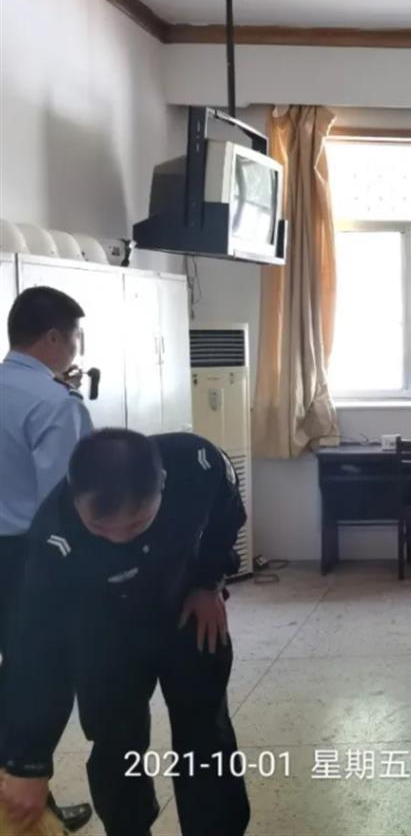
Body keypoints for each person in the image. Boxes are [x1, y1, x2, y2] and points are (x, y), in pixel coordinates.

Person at [0, 429, 251, 836]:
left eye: (136, 523)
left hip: (185, 610)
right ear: (74, 496)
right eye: (100, 529)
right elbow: (38, 653)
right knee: (116, 741)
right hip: (104, 630)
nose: (119, 539)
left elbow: (226, 512)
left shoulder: (197, 464)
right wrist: (28, 763)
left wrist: (208, 581)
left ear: (163, 484)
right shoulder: (52, 539)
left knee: (206, 732)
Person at [0, 287, 94, 833]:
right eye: (76, 336)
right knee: (39, 677)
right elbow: (62, 504)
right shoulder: (55, 404)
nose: (77, 347)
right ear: (55, 337)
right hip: (28, 558)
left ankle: (27, 801)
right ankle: (27, 805)